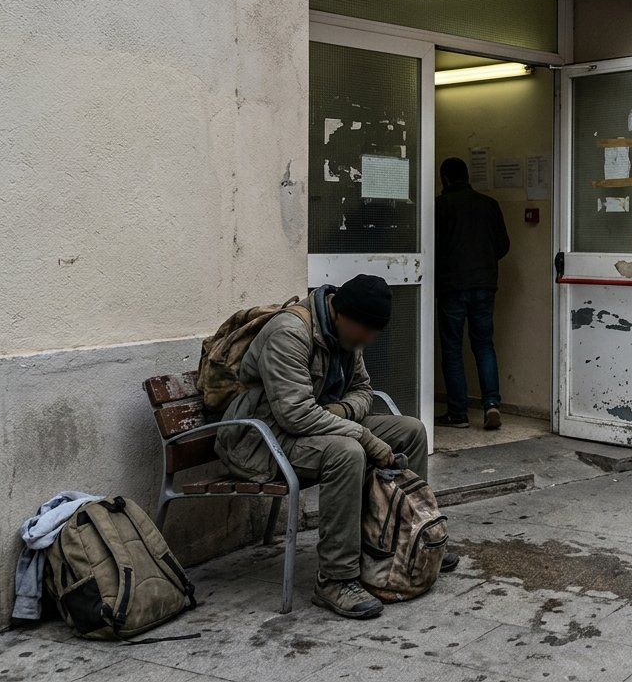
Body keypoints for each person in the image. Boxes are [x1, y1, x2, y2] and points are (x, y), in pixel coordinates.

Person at [214, 274, 455, 620]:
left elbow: (364, 390)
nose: (368, 340)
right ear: (341, 314)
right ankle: (335, 581)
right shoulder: (290, 333)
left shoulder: (349, 336)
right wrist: (362, 435)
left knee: (411, 431)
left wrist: (340, 412)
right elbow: (295, 415)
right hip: (261, 441)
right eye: (365, 331)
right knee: (347, 452)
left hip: (315, 427)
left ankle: (407, 539)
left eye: (375, 332)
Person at [435, 157, 511, 430]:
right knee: (483, 345)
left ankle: (458, 413)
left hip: (452, 287)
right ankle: (491, 404)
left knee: (453, 349)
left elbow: (432, 248)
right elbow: (503, 245)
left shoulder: (440, 207)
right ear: (467, 176)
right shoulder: (489, 205)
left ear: (444, 178)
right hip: (484, 285)